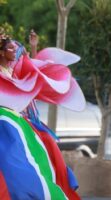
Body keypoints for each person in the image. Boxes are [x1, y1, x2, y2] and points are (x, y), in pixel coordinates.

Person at [0, 29, 85, 199]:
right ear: (1, 52)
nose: (15, 50)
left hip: (18, 123)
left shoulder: (12, 71)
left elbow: (33, 69)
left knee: (48, 144)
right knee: (15, 161)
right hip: (7, 126)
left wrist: (33, 47)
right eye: (10, 48)